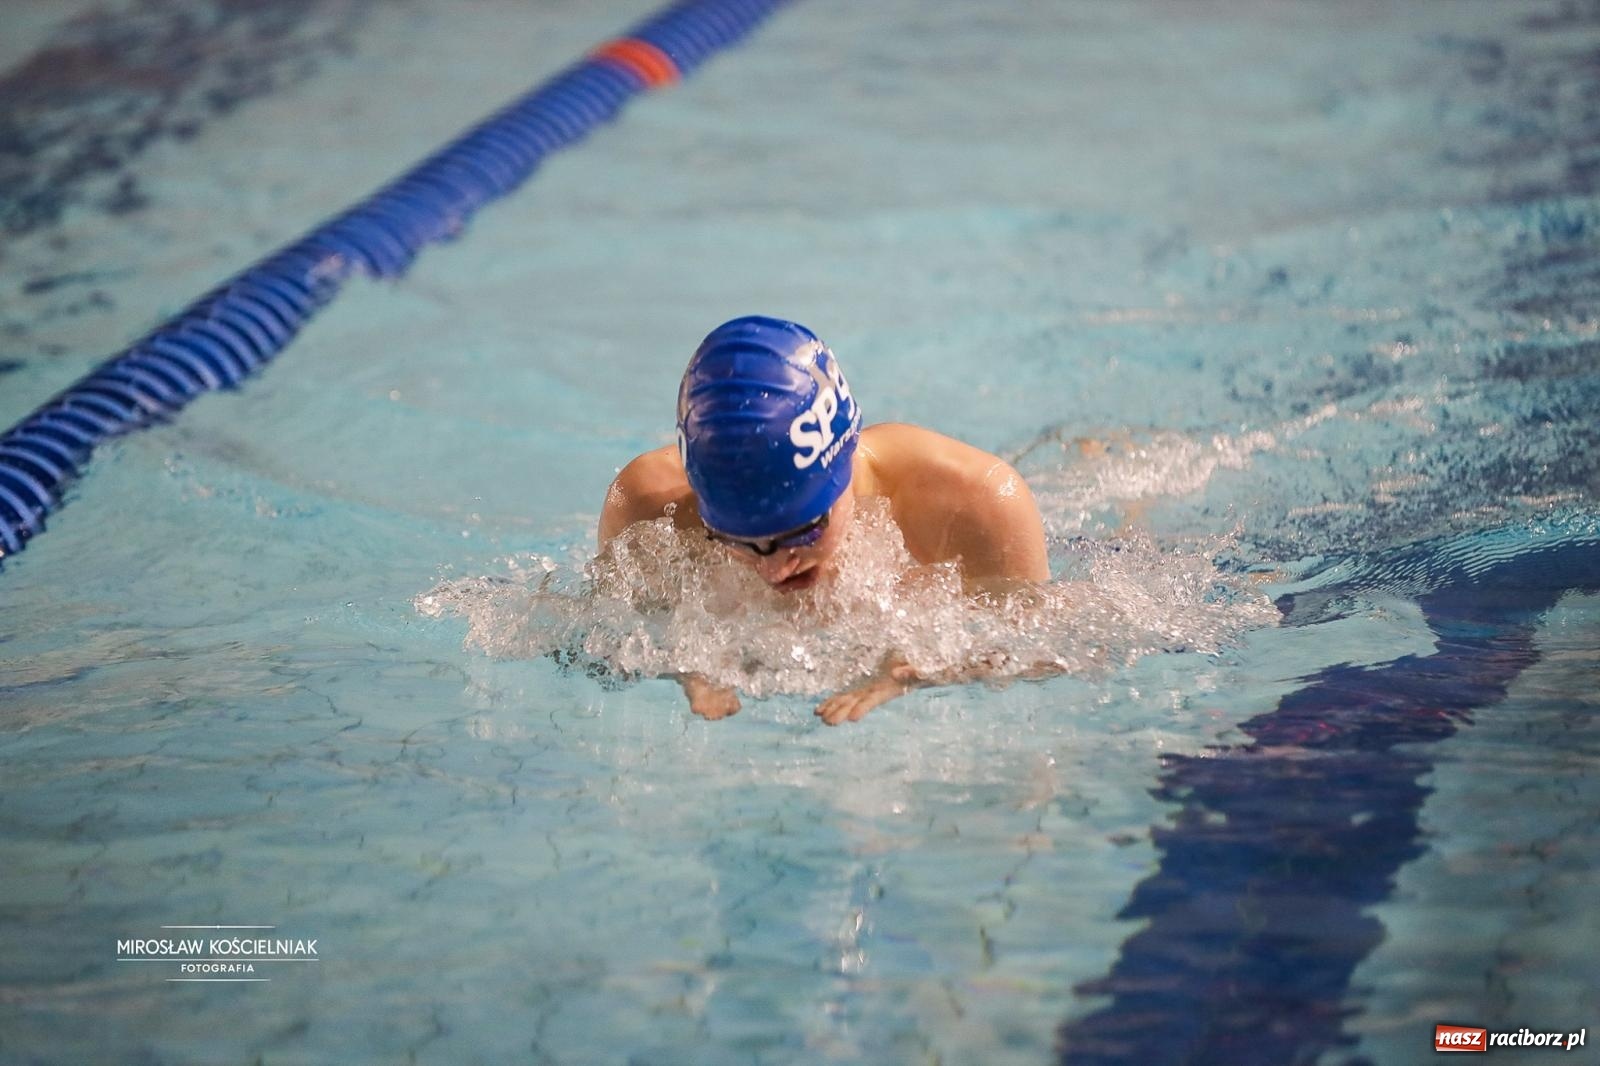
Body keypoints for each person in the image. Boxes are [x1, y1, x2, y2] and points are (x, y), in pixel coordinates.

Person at [598, 315, 1051, 725]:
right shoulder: (647, 508)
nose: (775, 569)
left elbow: (1050, 650)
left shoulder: (976, 502)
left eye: (804, 530)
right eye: (736, 541)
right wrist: (685, 667)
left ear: (845, 457)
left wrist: (933, 667)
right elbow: (605, 636)